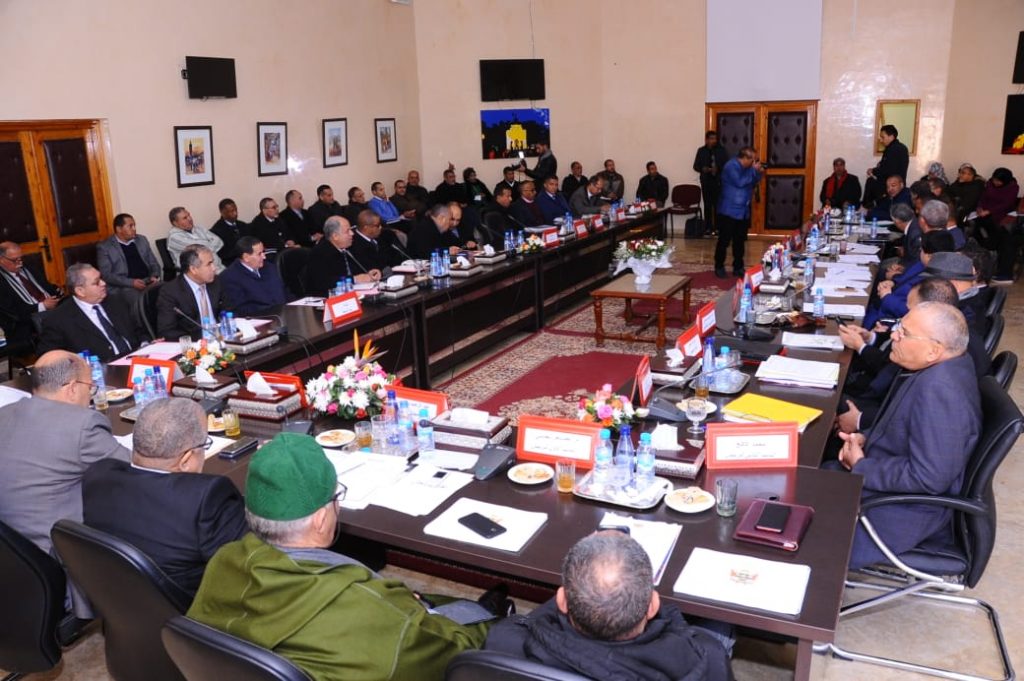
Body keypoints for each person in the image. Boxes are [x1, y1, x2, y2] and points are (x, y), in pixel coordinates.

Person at [187, 433, 490, 681]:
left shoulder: (223, 562)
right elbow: (454, 652)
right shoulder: (367, 605)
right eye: (336, 497)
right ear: (321, 519)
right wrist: (411, 610)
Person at [835, 302, 981, 570]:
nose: (894, 335)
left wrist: (861, 465)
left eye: (904, 333)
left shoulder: (940, 391)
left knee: (798, 534)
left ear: (933, 350)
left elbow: (929, 477)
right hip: (888, 484)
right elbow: (906, 426)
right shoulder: (944, 367)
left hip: (899, 512)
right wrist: (865, 438)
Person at [485, 531, 733, 681]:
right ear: (652, 606)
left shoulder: (504, 641)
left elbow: (536, 622)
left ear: (561, 600)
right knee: (719, 626)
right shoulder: (706, 657)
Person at [82, 398, 247, 597]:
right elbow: (245, 567)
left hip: (120, 602)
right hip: (193, 608)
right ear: (186, 460)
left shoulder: (98, 475)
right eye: (204, 445)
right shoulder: (207, 498)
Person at [0, 350, 129, 554]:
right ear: (72, 388)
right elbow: (136, 470)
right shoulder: (82, 424)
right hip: (60, 555)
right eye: (90, 387)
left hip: (12, 555)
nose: (90, 395)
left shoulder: (4, 414)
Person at [38, 263, 147, 361]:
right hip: (101, 370)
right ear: (80, 291)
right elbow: (49, 359)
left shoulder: (116, 300)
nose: (103, 283)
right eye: (96, 282)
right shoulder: (58, 320)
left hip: (137, 359)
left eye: (101, 278)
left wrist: (146, 345)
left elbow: (138, 330)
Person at [0, 240, 61, 357]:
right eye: (15, 260)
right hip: (25, 324)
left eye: (21, 258)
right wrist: (42, 306)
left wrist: (56, 293)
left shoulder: (29, 268)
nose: (20, 263)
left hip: (51, 312)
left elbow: (46, 287)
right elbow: (13, 313)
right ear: (1, 260)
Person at [156, 245, 229, 340]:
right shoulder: (170, 292)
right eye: (209, 264)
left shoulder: (216, 282)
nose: (214, 268)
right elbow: (167, 331)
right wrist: (201, 338)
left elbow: (229, 310)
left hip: (223, 338)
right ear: (193, 269)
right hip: (196, 343)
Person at [714, 147, 762, 278]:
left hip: (743, 210)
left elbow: (755, 180)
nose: (754, 162)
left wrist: (758, 171)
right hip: (729, 210)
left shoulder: (748, 168)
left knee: (739, 241)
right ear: (745, 158)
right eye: (753, 160)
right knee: (724, 241)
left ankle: (738, 267)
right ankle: (719, 266)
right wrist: (753, 170)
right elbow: (740, 182)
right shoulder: (731, 166)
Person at [304, 216, 382, 296]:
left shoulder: (348, 248)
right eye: (347, 231)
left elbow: (357, 271)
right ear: (335, 236)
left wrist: (370, 274)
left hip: (352, 294)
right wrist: (354, 279)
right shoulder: (320, 253)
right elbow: (323, 282)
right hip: (326, 298)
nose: (352, 233)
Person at [96, 213, 162, 301]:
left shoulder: (141, 240)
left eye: (134, 225)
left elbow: (153, 263)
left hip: (147, 280)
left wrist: (155, 276)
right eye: (130, 226)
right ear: (119, 229)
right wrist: (131, 283)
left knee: (168, 291)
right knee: (138, 299)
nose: (134, 229)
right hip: (124, 286)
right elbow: (106, 275)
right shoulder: (105, 247)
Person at [974, 167, 1020, 284]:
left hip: (1000, 214)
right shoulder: (990, 184)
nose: (995, 183)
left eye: (998, 181)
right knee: (976, 228)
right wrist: (980, 207)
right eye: (994, 180)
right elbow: (983, 198)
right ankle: (980, 262)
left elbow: (1006, 204)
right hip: (984, 214)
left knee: (1002, 237)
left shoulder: (1013, 187)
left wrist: (989, 211)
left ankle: (997, 264)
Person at [219, 236, 288, 315]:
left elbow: (285, 291)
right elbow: (241, 309)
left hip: (284, 313)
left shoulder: (270, 267)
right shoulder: (229, 277)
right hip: (261, 317)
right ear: (246, 257)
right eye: (259, 254)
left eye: (263, 252)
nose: (264, 257)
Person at [166, 207, 225, 274]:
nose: (190, 219)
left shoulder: (199, 228)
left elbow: (219, 241)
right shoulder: (174, 237)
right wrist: (209, 243)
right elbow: (198, 248)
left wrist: (205, 248)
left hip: (219, 268)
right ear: (175, 223)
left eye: (189, 215)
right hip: (197, 274)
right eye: (185, 218)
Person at [693, 130, 729, 233]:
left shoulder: (721, 150)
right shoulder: (701, 151)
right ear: (706, 140)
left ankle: (718, 228)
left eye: (715, 139)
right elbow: (695, 166)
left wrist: (718, 168)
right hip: (706, 181)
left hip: (718, 181)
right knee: (707, 205)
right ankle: (708, 227)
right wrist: (702, 169)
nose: (714, 141)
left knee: (718, 205)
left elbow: (727, 165)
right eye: (711, 139)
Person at [864, 124, 909, 205]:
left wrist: (873, 171)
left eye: (883, 137)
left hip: (892, 185)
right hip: (896, 183)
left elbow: (887, 169)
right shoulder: (898, 147)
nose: (881, 140)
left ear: (891, 137)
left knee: (871, 182)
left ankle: (866, 206)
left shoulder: (894, 149)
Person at [209, 199, 249, 265]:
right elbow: (223, 254)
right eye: (232, 211)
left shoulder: (242, 225)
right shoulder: (217, 231)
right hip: (232, 263)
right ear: (222, 213)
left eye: (236, 210)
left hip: (248, 258)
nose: (235, 213)